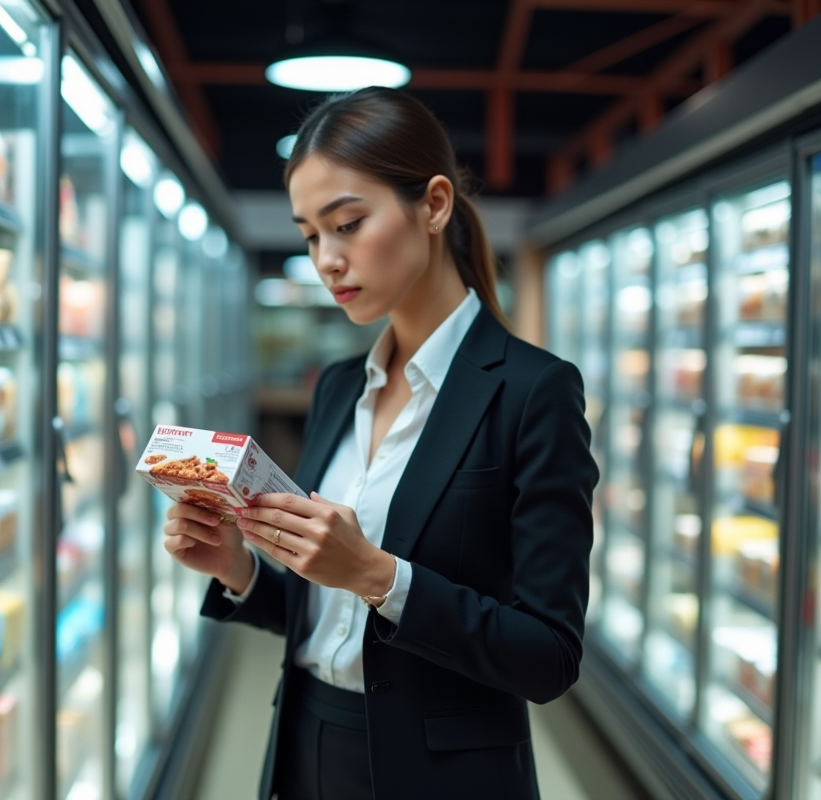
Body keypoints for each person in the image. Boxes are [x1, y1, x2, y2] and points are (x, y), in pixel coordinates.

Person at [163, 86, 598, 800]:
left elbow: (549, 656)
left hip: (445, 779)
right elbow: (327, 621)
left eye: (348, 224)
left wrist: (378, 575)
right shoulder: (340, 386)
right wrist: (239, 570)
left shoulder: (533, 390)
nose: (326, 260)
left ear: (434, 205)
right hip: (306, 748)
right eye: (310, 236)